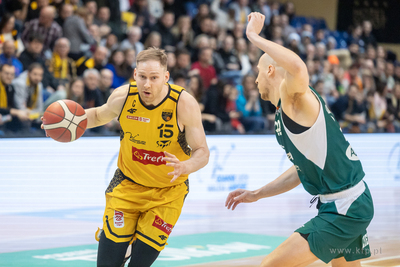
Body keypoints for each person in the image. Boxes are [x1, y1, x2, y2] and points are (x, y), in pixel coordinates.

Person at [225, 13, 374, 267]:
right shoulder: (284, 113)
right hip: (344, 203)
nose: (256, 79)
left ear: (270, 70)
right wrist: (257, 194)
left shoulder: (294, 99)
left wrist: (253, 36)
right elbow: (300, 170)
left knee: (270, 265)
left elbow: (297, 67)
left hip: (345, 206)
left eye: (258, 72)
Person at [41, 47, 209, 267]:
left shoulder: (183, 104)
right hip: (128, 186)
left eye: (154, 78)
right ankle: (123, 244)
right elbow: (98, 115)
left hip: (168, 192)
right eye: (142, 77)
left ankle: (132, 246)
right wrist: (64, 122)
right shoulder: (123, 97)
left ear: (166, 77)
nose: (147, 84)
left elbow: (202, 152)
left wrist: (186, 166)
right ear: (135, 74)